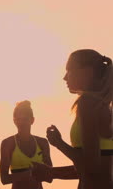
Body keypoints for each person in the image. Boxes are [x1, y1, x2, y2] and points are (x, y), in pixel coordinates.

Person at [33, 49, 113, 189]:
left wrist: (59, 143)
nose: (65, 77)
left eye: (69, 70)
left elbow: (91, 168)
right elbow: (96, 167)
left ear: (86, 71)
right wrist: (51, 173)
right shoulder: (104, 105)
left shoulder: (87, 103)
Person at [0, 100, 53, 188]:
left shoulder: (42, 143)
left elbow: (50, 176)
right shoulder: (8, 143)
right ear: (14, 121)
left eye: (25, 119)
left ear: (32, 120)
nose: (22, 123)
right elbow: (4, 179)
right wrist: (31, 173)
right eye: (19, 120)